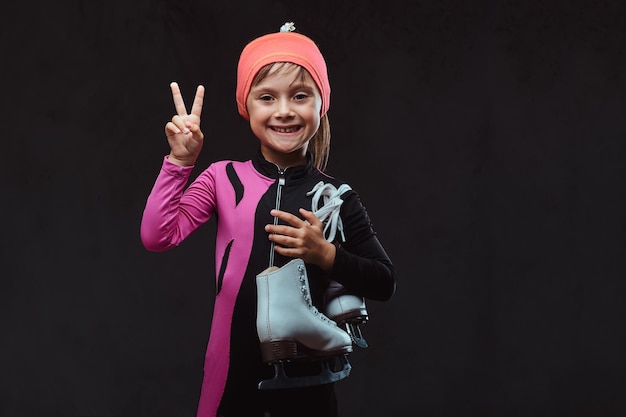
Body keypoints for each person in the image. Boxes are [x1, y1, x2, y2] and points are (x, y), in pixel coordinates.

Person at [140, 21, 396, 417]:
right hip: (230, 369)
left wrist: (326, 255)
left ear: (320, 104)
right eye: (266, 97)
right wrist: (180, 162)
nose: (283, 111)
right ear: (247, 107)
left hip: (310, 380)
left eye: (299, 95)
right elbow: (158, 235)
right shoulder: (223, 178)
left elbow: (384, 280)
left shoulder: (335, 196)